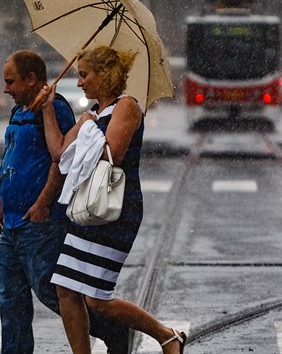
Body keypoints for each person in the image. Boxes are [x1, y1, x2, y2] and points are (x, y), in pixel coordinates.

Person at [39, 45, 187, 354]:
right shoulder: (91, 115)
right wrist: (47, 110)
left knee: (97, 298)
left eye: (84, 75)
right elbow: (59, 154)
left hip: (115, 209)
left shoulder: (127, 106)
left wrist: (88, 128)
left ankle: (166, 335)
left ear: (104, 74)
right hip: (86, 208)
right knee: (65, 287)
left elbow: (113, 155)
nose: (79, 83)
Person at [0, 50, 130, 354]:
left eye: (10, 81)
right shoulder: (19, 111)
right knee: (9, 296)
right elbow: (11, 157)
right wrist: (1, 202)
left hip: (41, 220)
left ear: (31, 79)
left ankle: (112, 329)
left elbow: (64, 161)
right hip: (12, 221)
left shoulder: (57, 110)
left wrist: (42, 203)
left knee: (52, 291)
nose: (6, 88)